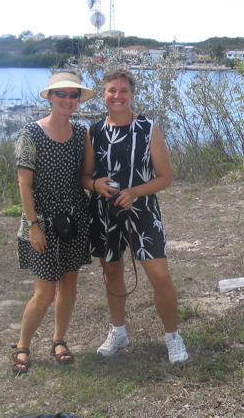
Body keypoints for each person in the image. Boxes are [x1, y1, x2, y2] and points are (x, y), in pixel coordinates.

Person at [81, 68, 188, 365]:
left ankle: (172, 336)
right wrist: (95, 185)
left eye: (123, 90)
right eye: (112, 90)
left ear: (132, 94)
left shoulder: (148, 128)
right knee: (112, 273)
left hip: (142, 211)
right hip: (104, 212)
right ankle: (118, 332)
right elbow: (86, 176)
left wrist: (134, 192)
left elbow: (165, 177)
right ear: (103, 95)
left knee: (160, 275)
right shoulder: (94, 132)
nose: (117, 96)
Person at [11, 71, 95, 374]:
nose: (68, 100)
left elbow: (86, 176)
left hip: (73, 219)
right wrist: (33, 224)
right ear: (49, 97)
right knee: (44, 292)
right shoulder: (30, 134)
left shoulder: (81, 133)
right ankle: (22, 345)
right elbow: (24, 184)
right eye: (61, 94)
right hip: (43, 222)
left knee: (69, 286)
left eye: (73, 95)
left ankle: (59, 339)